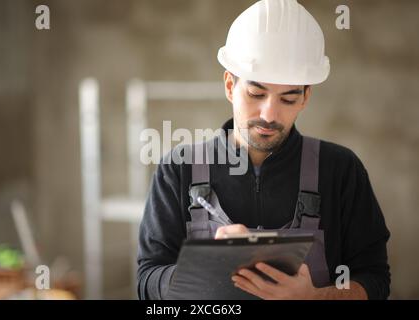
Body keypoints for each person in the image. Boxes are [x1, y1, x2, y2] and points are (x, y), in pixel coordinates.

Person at [137, 0, 390, 300]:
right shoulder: (178, 169)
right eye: (256, 93)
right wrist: (203, 268)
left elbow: (374, 279)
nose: (269, 114)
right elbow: (146, 282)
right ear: (230, 85)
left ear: (306, 96)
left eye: (287, 98)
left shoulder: (341, 170)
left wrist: (315, 298)